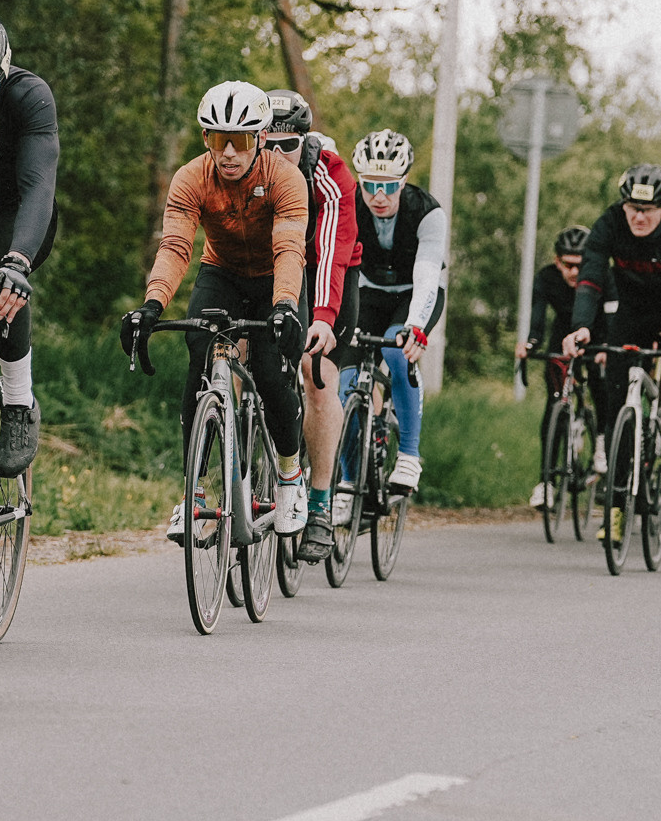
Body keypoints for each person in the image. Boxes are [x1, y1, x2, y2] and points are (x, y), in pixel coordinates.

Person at [120, 80, 316, 543]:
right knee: (199, 350)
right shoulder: (191, 178)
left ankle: (290, 475)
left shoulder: (287, 180)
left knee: (270, 369)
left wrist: (286, 305)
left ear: (261, 140)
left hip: (276, 278)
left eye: (241, 140)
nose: (228, 152)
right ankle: (195, 493)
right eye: (217, 139)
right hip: (223, 272)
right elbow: (174, 247)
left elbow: (290, 249)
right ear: (206, 139)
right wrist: (152, 304)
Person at [557, 165, 661, 521]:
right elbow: (591, 279)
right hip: (634, 309)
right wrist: (581, 327)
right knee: (615, 393)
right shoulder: (609, 223)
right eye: (632, 209)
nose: (638, 218)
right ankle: (618, 497)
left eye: (648, 210)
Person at [261, 89, 361, 560]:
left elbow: (329, 256)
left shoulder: (331, 174)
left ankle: (319, 502)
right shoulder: (245, 161)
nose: (278, 155)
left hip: (331, 270)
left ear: (305, 140)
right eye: (269, 144)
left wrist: (321, 319)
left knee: (316, 375)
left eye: (289, 146)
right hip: (275, 265)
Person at [338, 128, 448, 549]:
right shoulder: (350, 205)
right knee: (344, 384)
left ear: (403, 182)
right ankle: (348, 485)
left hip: (414, 295)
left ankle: (409, 456)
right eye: (369, 186)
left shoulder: (427, 212)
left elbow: (425, 277)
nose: (378, 196)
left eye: (387, 186)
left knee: (400, 354)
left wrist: (415, 328)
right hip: (367, 292)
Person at [0, 13, 59, 478]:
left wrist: (17, 260)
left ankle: (16, 402)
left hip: (18, 212)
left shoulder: (28, 95)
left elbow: (38, 187)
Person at [519, 226, 588, 508]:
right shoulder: (547, 277)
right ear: (558, 261)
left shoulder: (599, 278)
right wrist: (531, 344)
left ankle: (600, 442)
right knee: (554, 406)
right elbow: (538, 315)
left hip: (594, 334)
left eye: (580, 266)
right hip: (561, 335)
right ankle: (546, 481)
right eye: (568, 265)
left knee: (601, 379)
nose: (574, 272)